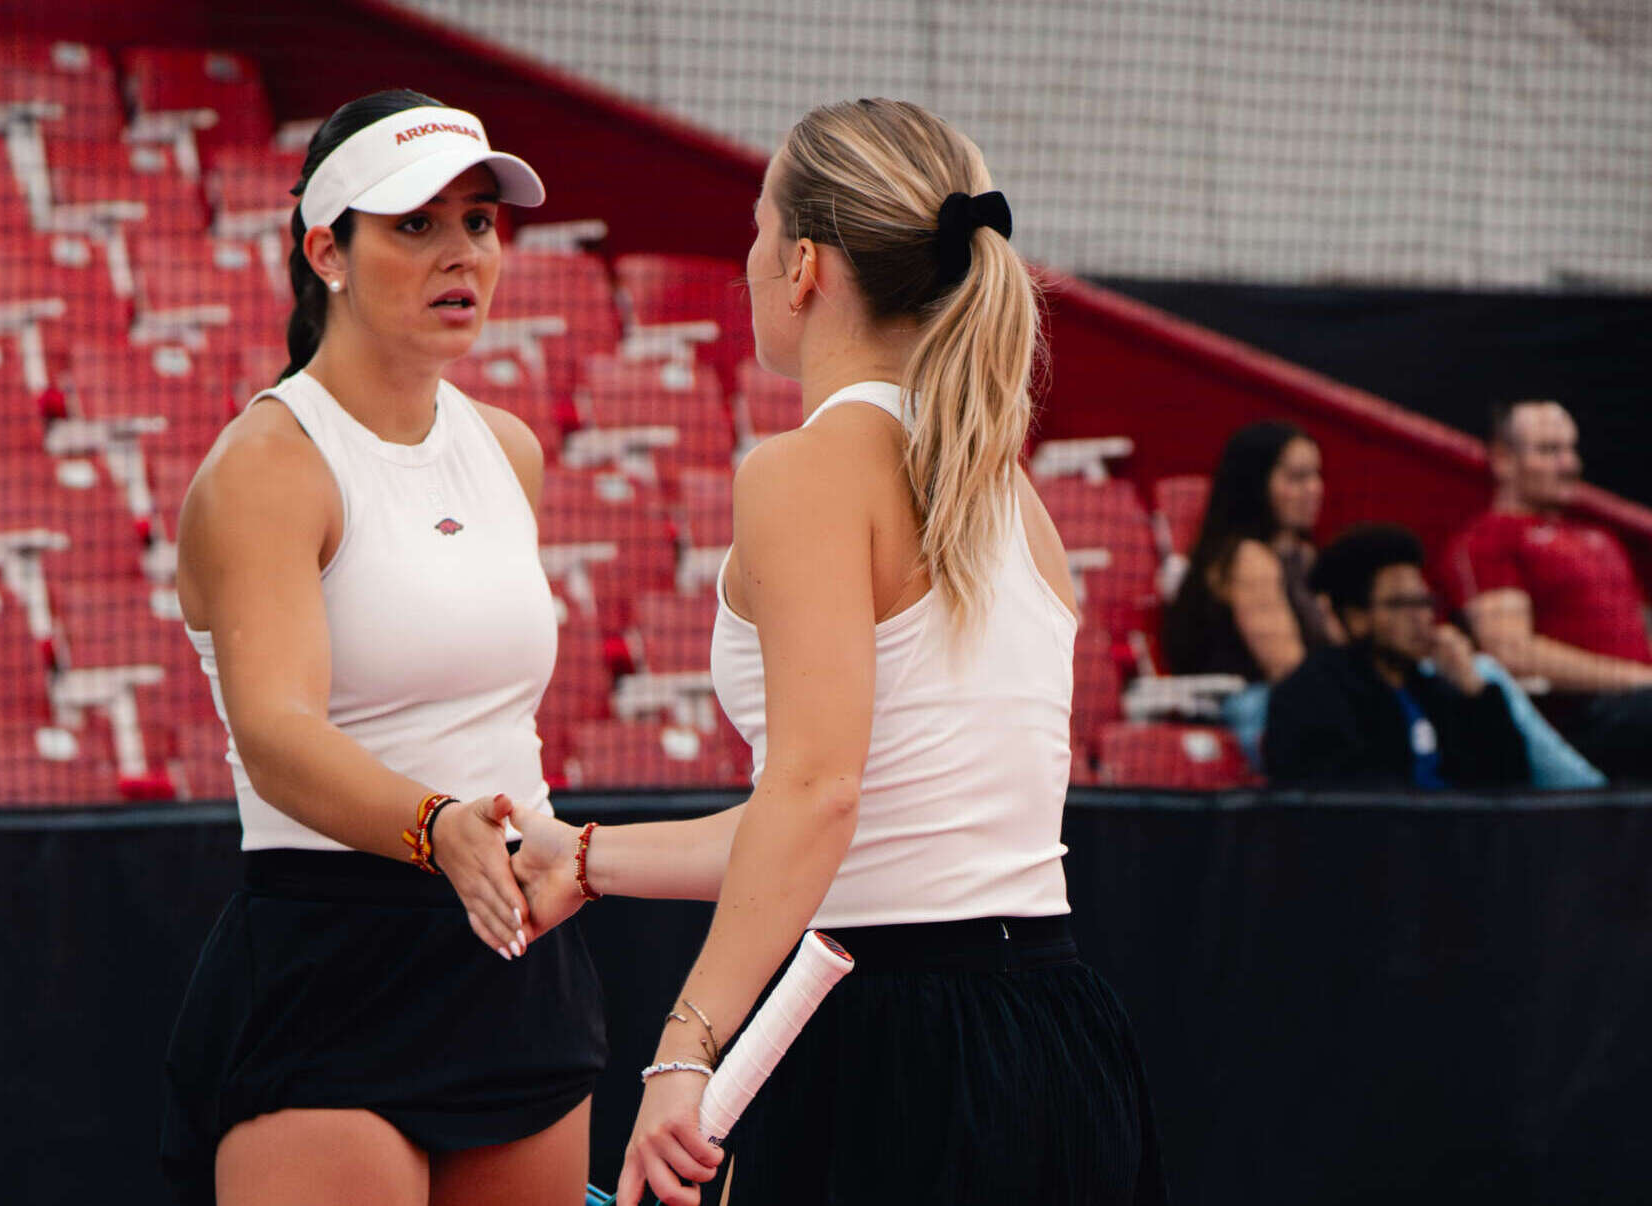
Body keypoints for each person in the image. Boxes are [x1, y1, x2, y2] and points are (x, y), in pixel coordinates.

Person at [513, 98, 1162, 1206]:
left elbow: (819, 796)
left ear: (805, 264)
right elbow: (865, 830)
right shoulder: (1012, 498)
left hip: (891, 1049)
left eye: (757, 228)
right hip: (1059, 1042)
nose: (750, 258)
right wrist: (584, 860)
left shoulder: (804, 473)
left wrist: (685, 1047)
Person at [158, 90, 604, 1206]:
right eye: (415, 224)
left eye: (479, 222)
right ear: (328, 253)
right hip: (332, 961)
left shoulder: (507, 449)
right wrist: (436, 828)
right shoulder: (266, 465)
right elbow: (275, 735)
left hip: (513, 955)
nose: (463, 254)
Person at [1445, 399, 1652, 781]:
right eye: (1549, 451)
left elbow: (1639, 631)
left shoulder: (1601, 538)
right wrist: (1639, 680)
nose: (1569, 464)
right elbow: (1511, 652)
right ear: (1503, 459)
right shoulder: (1489, 540)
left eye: (1571, 449)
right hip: (1578, 722)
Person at [1263, 525, 1529, 789]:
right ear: (1356, 618)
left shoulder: (1434, 689)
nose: (1422, 618)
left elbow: (1510, 783)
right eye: (1402, 604)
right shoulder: (1312, 696)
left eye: (1425, 602)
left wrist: (1474, 691)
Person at [1162, 420, 1333, 683]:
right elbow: (1289, 672)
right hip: (1253, 700)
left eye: (1316, 475)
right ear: (1256, 484)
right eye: (1297, 477)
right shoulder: (1248, 559)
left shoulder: (1304, 555)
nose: (1314, 489)